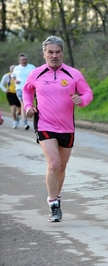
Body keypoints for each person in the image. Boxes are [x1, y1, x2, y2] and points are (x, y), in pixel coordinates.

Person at [23, 35, 93, 222]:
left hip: (67, 127)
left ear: (62, 53)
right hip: (45, 124)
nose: (54, 55)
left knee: (62, 166)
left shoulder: (73, 74)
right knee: (53, 164)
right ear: (44, 54)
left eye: (57, 52)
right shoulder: (36, 73)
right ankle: (53, 204)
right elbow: (27, 90)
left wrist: (82, 100)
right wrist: (28, 107)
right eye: (50, 52)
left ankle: (57, 197)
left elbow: (87, 93)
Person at [12, 53, 36, 130]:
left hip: (31, 89)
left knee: (31, 105)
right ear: (19, 61)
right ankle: (25, 123)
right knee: (24, 104)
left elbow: (37, 76)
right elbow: (13, 77)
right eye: (22, 60)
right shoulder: (17, 68)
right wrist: (15, 81)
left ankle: (19, 116)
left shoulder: (31, 67)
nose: (24, 61)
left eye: (25, 59)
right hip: (20, 89)